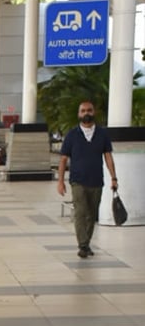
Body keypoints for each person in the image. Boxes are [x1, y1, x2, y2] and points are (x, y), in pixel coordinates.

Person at [57, 100, 118, 258]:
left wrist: (114, 178)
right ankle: (82, 245)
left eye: (89, 110)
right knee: (80, 212)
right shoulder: (72, 135)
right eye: (83, 111)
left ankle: (86, 243)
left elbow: (108, 156)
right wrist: (60, 181)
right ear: (79, 114)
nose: (86, 113)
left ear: (94, 112)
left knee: (92, 214)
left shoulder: (102, 134)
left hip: (97, 180)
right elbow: (63, 159)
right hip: (78, 181)